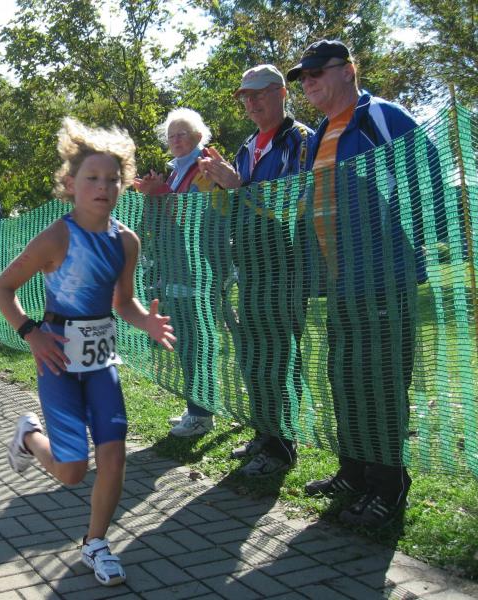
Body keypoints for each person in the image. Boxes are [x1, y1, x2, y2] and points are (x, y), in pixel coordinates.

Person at [0, 117, 176, 587]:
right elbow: (3, 288)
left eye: (112, 179)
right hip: (57, 358)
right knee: (72, 472)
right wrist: (31, 333)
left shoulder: (126, 241)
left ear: (123, 184)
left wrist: (146, 321)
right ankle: (29, 436)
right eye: (92, 178)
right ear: (71, 184)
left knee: (114, 453)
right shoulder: (57, 237)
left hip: (100, 361)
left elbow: (123, 303)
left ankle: (96, 542)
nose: (103, 188)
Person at [288, 40, 425, 527]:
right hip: (340, 283)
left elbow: (424, 180)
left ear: (348, 71)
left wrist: (398, 249)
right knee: (345, 377)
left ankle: (388, 488)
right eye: (303, 78)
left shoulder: (381, 116)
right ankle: (354, 473)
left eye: (316, 73)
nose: (308, 83)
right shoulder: (322, 133)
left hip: (383, 281)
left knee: (380, 384)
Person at [199, 65, 313, 476]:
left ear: (281, 93)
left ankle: (282, 447)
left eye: (259, 93)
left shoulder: (302, 139)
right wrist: (216, 187)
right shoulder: (248, 145)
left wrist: (238, 187)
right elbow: (234, 206)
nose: (250, 102)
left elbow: (296, 202)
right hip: (250, 266)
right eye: (245, 96)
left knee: (280, 356)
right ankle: (264, 433)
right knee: (254, 354)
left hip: (285, 266)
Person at [134, 108, 216, 438]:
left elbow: (197, 216)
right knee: (185, 340)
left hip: (195, 269)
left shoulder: (204, 167)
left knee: (194, 341)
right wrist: (155, 193)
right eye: (171, 136)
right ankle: (197, 407)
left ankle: (201, 414)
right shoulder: (177, 171)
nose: (176, 140)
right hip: (176, 269)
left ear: (198, 137)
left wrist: (160, 194)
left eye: (182, 134)